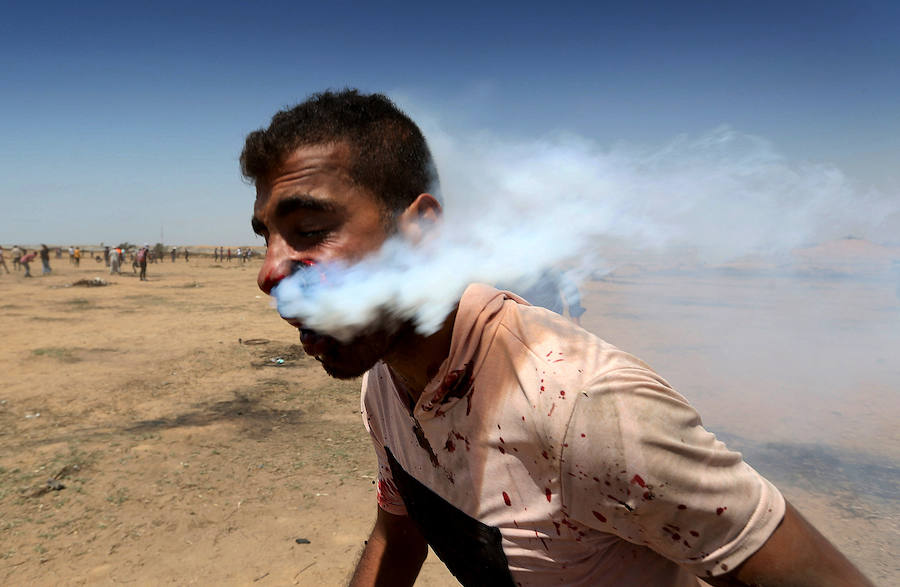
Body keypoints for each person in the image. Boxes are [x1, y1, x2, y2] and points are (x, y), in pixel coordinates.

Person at [243, 90, 871, 587]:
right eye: (266, 237)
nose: (270, 273)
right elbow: (398, 531)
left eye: (309, 229)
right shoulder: (387, 383)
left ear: (421, 229)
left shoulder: (587, 408)